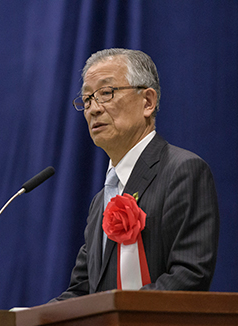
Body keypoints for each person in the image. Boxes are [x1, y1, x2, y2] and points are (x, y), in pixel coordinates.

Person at [52, 48, 219, 301]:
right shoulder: (100, 201)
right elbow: (81, 293)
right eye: (86, 100)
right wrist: (16, 320)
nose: (93, 109)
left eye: (106, 93)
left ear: (148, 102)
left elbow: (189, 276)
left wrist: (116, 313)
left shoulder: (183, 171)